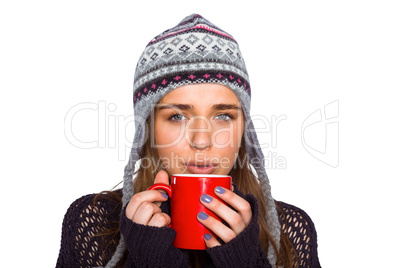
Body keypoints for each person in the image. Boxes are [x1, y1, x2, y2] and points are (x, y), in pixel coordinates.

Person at [56, 14, 321, 268]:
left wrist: (247, 262)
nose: (202, 140)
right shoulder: (93, 223)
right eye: (178, 116)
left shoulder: (291, 230)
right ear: (147, 129)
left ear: (245, 130)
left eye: (223, 116)